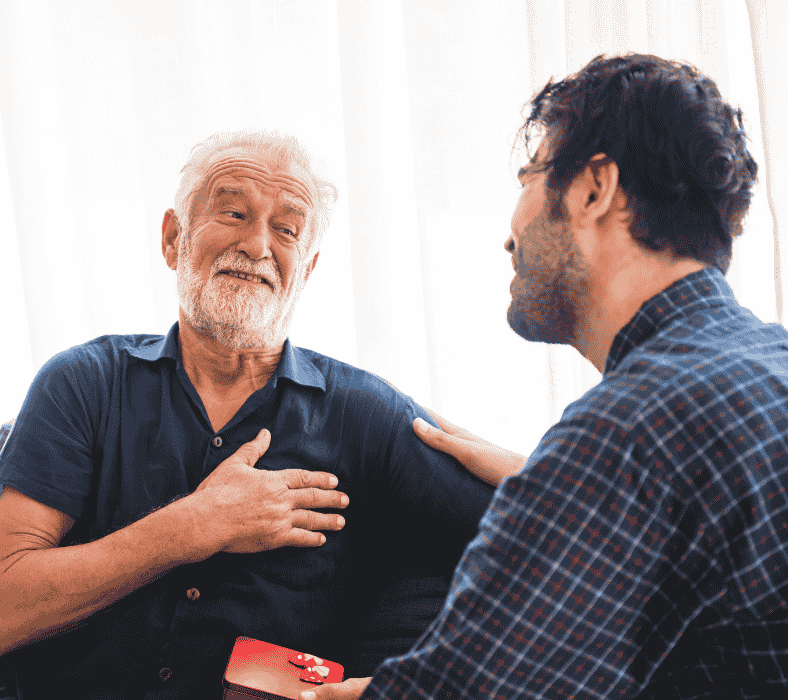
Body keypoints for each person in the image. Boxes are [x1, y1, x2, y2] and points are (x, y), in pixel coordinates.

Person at [304, 53, 788, 699]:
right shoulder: (765, 367)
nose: (511, 235)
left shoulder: (626, 433)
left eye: (530, 175)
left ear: (594, 189)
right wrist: (542, 478)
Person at [0, 131, 496, 700]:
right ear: (173, 239)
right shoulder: (83, 384)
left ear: (306, 268)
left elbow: (557, 532)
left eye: (286, 229)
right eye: (233, 213)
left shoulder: (366, 416)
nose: (258, 245)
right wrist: (196, 525)